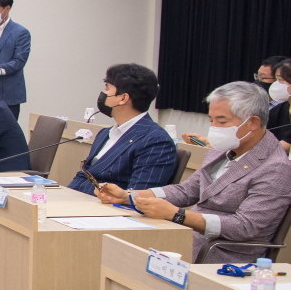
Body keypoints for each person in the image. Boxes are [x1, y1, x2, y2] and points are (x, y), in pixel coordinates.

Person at [96, 81, 291, 264]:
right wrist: (129, 196)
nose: (214, 128)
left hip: (222, 254)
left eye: (222, 121)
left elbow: (245, 227)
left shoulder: (275, 168)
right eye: (211, 120)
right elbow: (187, 190)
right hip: (186, 237)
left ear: (253, 122)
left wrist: (178, 215)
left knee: (121, 255)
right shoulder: (222, 149)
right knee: (109, 246)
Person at [68, 63, 178, 195]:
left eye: (107, 88)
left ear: (123, 98)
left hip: (104, 206)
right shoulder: (105, 133)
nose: (103, 93)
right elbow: (85, 174)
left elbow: (138, 196)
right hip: (78, 200)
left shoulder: (155, 141)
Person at [267, 59, 291, 153]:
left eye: (281, 80)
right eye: (276, 80)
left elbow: (285, 145)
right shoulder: (279, 109)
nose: (276, 84)